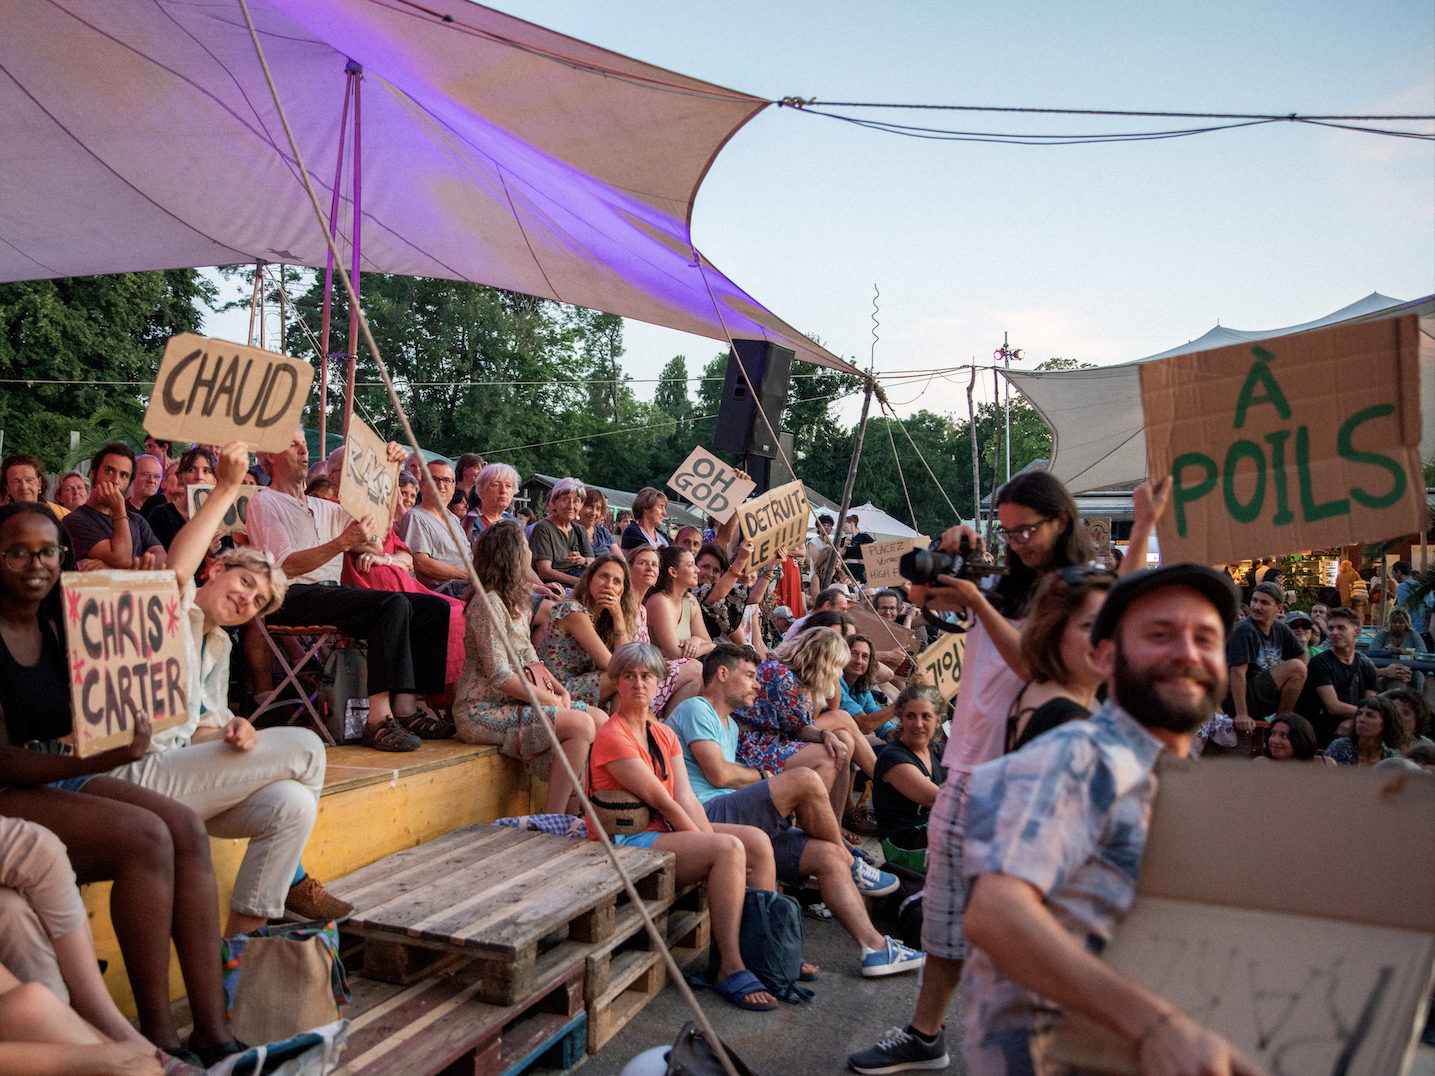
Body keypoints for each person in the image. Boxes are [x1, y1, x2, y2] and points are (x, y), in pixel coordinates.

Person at [858, 563, 1255, 1076]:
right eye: (1160, 635)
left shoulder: (1162, 777)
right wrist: (1157, 1026)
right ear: (1108, 656)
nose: (1186, 651)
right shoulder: (1080, 757)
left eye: (1206, 637)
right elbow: (997, 916)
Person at [849, 471, 1166, 1076]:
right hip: (966, 766)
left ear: (1061, 522)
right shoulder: (1001, 580)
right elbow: (918, 597)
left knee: (1027, 925)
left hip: (1028, 773)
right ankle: (925, 1035)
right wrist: (948, 557)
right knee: (945, 915)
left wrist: (978, 603)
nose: (1017, 540)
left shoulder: (1076, 592)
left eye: (1028, 529)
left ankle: (1043, 1052)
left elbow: (1037, 662)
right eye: (1008, 528)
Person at [0, 502, 240, 1064]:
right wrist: (93, 756)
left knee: (183, 825)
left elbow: (152, 599)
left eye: (48, 551)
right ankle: (159, 1038)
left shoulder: (63, 614)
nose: (36, 564)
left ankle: (214, 1033)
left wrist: (146, 581)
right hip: (13, 788)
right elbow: (3, 762)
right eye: (17, 552)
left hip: (59, 770)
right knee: (146, 836)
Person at [667, 644, 926, 978]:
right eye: (749, 676)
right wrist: (766, 778)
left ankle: (874, 947)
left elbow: (736, 776)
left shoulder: (729, 725)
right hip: (703, 818)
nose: (757, 685)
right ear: (721, 674)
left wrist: (765, 781)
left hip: (735, 820)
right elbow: (719, 774)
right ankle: (852, 861)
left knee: (826, 857)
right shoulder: (696, 709)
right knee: (803, 779)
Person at [585, 642, 776, 1011]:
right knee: (727, 849)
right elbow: (664, 802)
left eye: (646, 676)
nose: (638, 684)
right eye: (629, 676)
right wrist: (708, 842)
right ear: (617, 682)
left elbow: (686, 797)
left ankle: (764, 952)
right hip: (624, 841)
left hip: (662, 832)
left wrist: (705, 837)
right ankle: (730, 966)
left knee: (755, 841)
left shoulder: (663, 733)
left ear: (658, 683)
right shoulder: (612, 736)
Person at [245, 427, 452, 752]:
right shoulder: (264, 501)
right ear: (270, 455)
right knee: (392, 604)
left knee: (432, 608)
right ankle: (376, 720)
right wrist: (343, 542)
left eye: (304, 444)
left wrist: (391, 468)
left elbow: (377, 523)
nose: (304, 451)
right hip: (289, 596)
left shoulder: (325, 506)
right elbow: (284, 567)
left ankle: (406, 708)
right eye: (293, 444)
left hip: (329, 594)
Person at [455, 521, 604, 813]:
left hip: (515, 704)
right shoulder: (489, 603)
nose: (530, 551)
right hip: (479, 710)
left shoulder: (518, 603)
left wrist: (562, 693)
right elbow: (500, 674)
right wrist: (551, 701)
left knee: (598, 718)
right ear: (509, 555)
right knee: (580, 723)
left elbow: (530, 656)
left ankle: (577, 811)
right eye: (524, 546)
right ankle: (554, 816)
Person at [732, 627, 875, 823]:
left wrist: (826, 734)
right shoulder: (781, 675)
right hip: (749, 747)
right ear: (825, 662)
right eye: (837, 666)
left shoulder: (793, 677)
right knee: (830, 754)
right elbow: (797, 730)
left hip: (766, 741)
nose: (840, 674)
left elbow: (799, 727)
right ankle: (813, 830)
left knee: (842, 741)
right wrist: (825, 735)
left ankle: (834, 824)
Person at [1005, 567, 1114, 754]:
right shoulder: (1069, 723)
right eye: (1090, 626)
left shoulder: (1040, 690)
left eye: (1114, 625)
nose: (1106, 640)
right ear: (1053, 633)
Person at [534, 553, 637, 705]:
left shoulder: (604, 620)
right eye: (604, 576)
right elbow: (614, 666)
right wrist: (618, 616)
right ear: (589, 579)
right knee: (624, 676)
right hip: (556, 689)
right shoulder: (573, 611)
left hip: (581, 684)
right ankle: (616, 729)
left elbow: (624, 658)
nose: (608, 585)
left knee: (627, 680)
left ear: (621, 591)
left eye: (616, 582)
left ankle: (619, 728)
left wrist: (618, 616)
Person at [1225, 580, 1307, 745]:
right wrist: (1242, 714)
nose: (1257, 607)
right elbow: (1237, 672)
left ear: (1279, 608)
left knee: (1301, 669)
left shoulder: (1280, 629)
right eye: (1254, 600)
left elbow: (1302, 655)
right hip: (1239, 696)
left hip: (1262, 693)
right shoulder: (1245, 630)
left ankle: (1280, 722)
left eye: (1264, 603)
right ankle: (1280, 723)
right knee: (1297, 668)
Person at [61, 444, 167, 570]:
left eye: (124, 475)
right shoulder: (74, 521)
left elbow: (162, 559)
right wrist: (119, 507)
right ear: (94, 474)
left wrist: (117, 570)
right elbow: (121, 559)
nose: (115, 480)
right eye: (109, 471)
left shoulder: (137, 520)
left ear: (129, 482)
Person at [871, 683, 948, 855]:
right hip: (903, 845)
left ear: (937, 721)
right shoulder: (893, 757)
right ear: (901, 719)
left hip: (932, 832)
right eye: (910, 716)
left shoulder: (939, 751)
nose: (918, 724)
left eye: (926, 716)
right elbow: (938, 799)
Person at [1295, 605, 1378, 746]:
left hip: (1355, 728)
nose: (1334, 633)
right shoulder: (1319, 663)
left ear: (1357, 632)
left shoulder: (1367, 668)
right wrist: (1365, 716)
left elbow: (1370, 704)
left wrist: (1354, 721)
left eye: (1341, 628)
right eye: (1331, 628)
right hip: (1320, 731)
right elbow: (1333, 706)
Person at [397, 458, 471, 596]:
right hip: (445, 590)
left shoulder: (454, 519)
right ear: (422, 484)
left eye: (447, 480)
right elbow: (420, 562)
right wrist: (467, 574)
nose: (441, 486)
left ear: (454, 486)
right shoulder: (415, 517)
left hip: (466, 584)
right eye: (434, 479)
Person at [143, 447, 215, 552]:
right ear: (180, 477)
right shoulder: (161, 515)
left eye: (206, 471)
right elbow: (160, 562)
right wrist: (200, 553)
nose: (199, 476)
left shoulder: (220, 519)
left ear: (214, 480)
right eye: (191, 470)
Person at [530, 478, 594, 590]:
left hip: (578, 584)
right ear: (554, 502)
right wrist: (580, 583)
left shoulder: (580, 530)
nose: (571, 506)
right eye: (565, 500)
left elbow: (592, 562)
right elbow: (544, 571)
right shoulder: (543, 528)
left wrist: (583, 561)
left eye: (576, 501)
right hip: (554, 587)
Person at [838, 635, 895, 738]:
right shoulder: (835, 683)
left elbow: (880, 722)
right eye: (854, 654)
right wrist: (902, 703)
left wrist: (899, 738)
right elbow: (866, 724)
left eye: (864, 656)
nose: (859, 661)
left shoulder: (861, 687)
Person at [1325, 696, 1403, 765]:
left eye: (1370, 715)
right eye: (1359, 714)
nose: (1361, 719)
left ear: (1386, 724)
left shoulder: (1390, 761)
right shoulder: (1341, 747)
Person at [1370, 606, 1424, 692]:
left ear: (1406, 624)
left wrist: (1406, 652)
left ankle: (1416, 699)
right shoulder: (1382, 634)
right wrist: (1383, 652)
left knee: (1418, 676)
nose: (1397, 625)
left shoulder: (1413, 635)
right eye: (1394, 622)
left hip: (1409, 669)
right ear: (1389, 623)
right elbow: (1372, 652)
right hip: (1386, 668)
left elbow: (1422, 653)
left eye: (1401, 623)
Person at [1254, 713, 1335, 766]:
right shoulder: (1262, 764)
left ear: (1301, 739)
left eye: (1284, 736)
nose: (1275, 741)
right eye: (1273, 734)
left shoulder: (1326, 764)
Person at [463, 462, 519, 537]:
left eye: (508, 486)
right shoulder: (473, 522)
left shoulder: (510, 519)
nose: (503, 490)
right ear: (482, 490)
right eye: (496, 485)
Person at [1, 455, 66, 521]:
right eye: (16, 481)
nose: (24, 487)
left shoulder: (62, 516)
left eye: (29, 480)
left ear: (39, 483)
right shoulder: (3, 520)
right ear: (7, 487)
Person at [784, 585, 850, 640]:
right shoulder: (803, 625)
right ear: (827, 605)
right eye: (842, 609)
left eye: (846, 610)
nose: (845, 614)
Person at [838, 514, 875, 585]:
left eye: (844, 525)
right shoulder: (843, 540)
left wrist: (866, 561)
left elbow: (875, 548)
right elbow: (839, 555)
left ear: (851, 523)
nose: (843, 528)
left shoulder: (864, 537)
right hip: (846, 569)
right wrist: (845, 546)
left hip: (860, 569)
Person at [578, 488, 616, 556]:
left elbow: (622, 561)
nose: (594, 513)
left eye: (598, 509)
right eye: (590, 507)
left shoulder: (604, 533)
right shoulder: (569, 532)